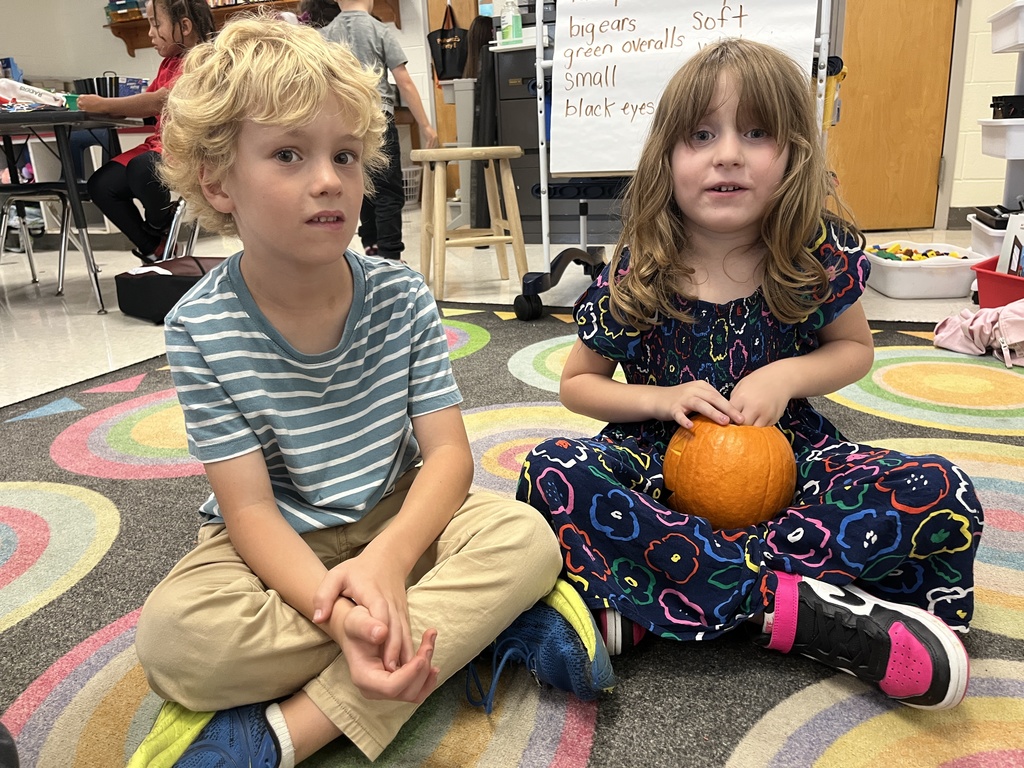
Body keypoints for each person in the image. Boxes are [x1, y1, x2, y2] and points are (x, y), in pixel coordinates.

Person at [129, 16, 603, 766]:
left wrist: (387, 563)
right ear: (218, 181)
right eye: (289, 154)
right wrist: (339, 611)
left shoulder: (401, 294)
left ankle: (287, 732)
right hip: (276, 550)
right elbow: (248, 509)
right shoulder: (199, 328)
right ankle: (469, 632)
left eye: (345, 155)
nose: (329, 179)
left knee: (525, 540)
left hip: (401, 518)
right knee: (175, 640)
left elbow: (448, 458)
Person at [517, 38, 983, 711]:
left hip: (789, 468)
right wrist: (658, 397)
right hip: (655, 475)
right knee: (552, 471)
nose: (728, 153)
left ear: (791, 154)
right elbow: (578, 385)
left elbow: (853, 350)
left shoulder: (811, 255)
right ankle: (792, 608)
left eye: (756, 133)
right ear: (667, 159)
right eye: (701, 135)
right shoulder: (638, 268)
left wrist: (788, 376)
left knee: (943, 489)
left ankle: (654, 602)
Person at [79, 0, 214, 262]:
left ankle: (158, 225)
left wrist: (104, 104)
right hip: (157, 146)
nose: (150, 32)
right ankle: (154, 247)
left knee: (144, 168)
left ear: (184, 26)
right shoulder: (169, 62)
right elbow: (147, 98)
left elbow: (158, 101)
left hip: (187, 149)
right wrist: (105, 107)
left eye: (156, 23)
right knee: (101, 185)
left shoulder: (204, 60)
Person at [319, 0, 439, 260]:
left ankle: (371, 249)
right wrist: (426, 126)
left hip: (343, 124)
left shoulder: (324, 35)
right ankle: (391, 256)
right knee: (388, 191)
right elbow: (404, 82)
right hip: (378, 120)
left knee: (360, 188)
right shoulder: (380, 30)